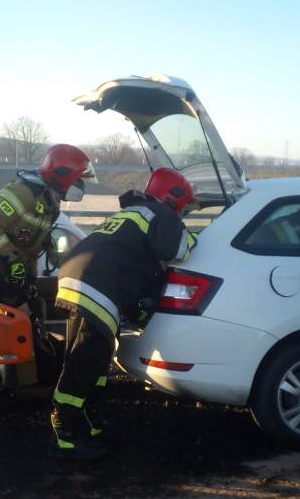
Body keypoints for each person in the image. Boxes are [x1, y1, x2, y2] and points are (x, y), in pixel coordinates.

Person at [49, 167, 198, 460]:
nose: (182, 215)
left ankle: (86, 422)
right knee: (85, 360)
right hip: (97, 284)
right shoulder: (162, 213)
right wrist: (193, 239)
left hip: (77, 276)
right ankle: (64, 435)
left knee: (93, 356)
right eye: (183, 209)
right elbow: (175, 249)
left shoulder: (134, 212)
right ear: (174, 199)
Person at [0, 144, 95, 424]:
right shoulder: (22, 192)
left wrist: (29, 275)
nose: (79, 186)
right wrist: (11, 259)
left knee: (22, 321)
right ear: (61, 175)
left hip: (4, 268)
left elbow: (30, 245)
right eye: (77, 179)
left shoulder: (50, 202)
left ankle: (20, 388)